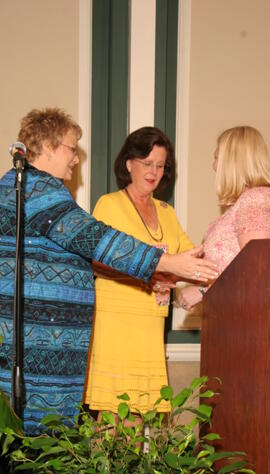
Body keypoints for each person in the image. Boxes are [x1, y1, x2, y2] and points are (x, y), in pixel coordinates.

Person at [0, 108, 217, 434]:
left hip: (25, 350)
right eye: (71, 149)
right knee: (25, 461)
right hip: (22, 351)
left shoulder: (26, 186)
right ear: (49, 147)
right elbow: (95, 239)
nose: (76, 159)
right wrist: (165, 263)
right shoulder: (36, 190)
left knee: (19, 457)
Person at [84, 127, 217, 419]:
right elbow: (95, 261)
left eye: (160, 165)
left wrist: (223, 247)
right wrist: (151, 274)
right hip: (116, 324)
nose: (153, 172)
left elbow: (191, 258)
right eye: (147, 163)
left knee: (141, 421)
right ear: (129, 164)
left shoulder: (166, 211)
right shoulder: (109, 204)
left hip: (150, 328)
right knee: (114, 422)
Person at [175, 125, 270, 311]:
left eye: (216, 158)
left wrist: (202, 292)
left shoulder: (256, 200)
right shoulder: (250, 200)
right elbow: (231, 266)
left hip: (250, 320)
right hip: (236, 317)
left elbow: (257, 269)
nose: (214, 166)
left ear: (231, 161)